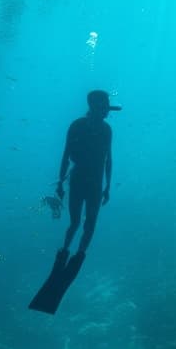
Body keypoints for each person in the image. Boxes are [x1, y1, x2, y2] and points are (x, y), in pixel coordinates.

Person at [55, 89, 120, 257]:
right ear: (95, 106)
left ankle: (80, 253)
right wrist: (60, 182)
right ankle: (65, 250)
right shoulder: (77, 126)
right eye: (104, 106)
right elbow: (66, 156)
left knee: (90, 222)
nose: (107, 110)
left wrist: (108, 186)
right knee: (75, 221)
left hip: (95, 183)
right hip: (80, 180)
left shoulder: (106, 130)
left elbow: (108, 159)